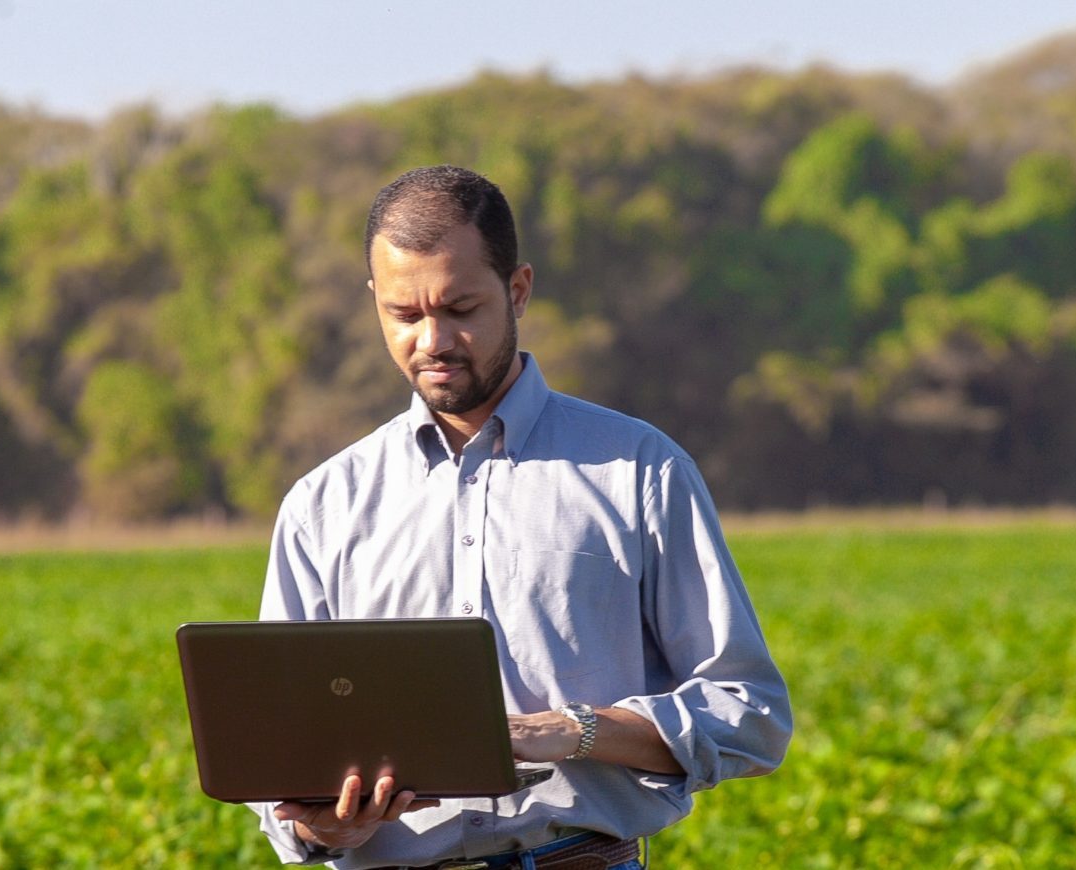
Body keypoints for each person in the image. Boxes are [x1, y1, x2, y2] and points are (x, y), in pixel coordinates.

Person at [250, 165, 791, 868]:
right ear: (374, 303)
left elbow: (748, 715)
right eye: (404, 315)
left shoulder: (638, 471)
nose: (432, 341)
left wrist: (576, 731)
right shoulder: (322, 506)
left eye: (460, 309)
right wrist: (325, 826)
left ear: (518, 290)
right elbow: (275, 754)